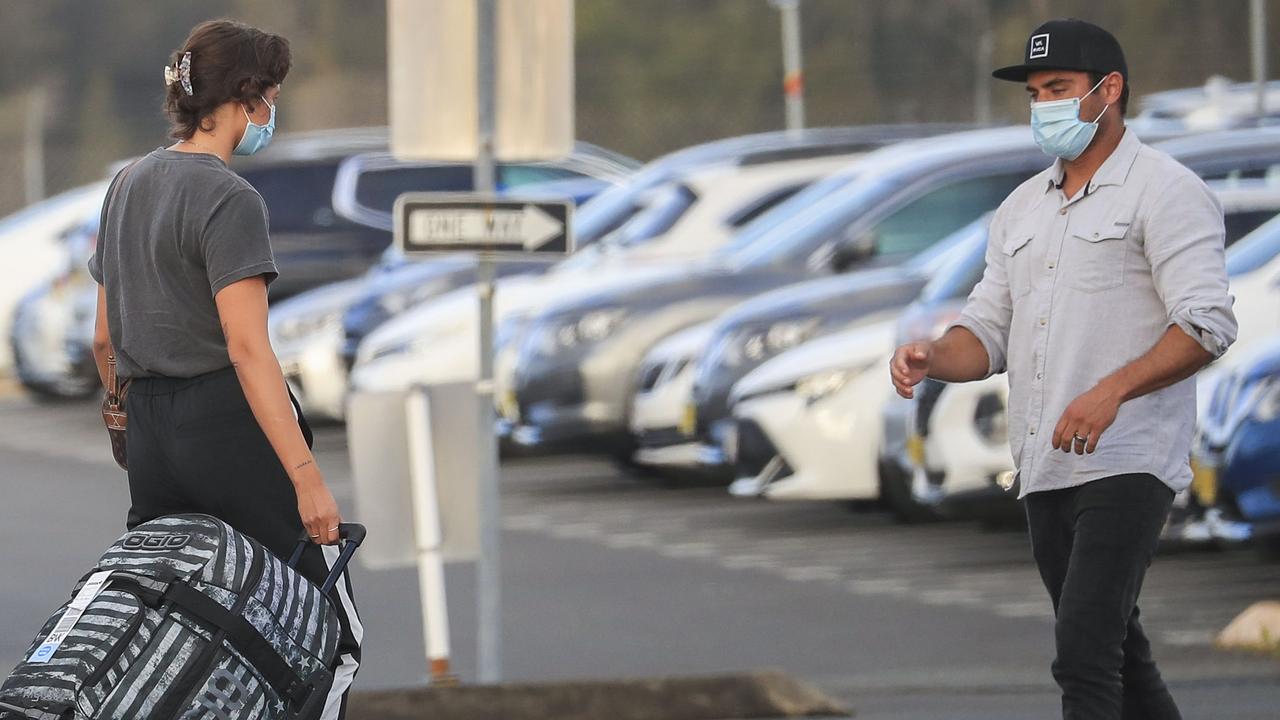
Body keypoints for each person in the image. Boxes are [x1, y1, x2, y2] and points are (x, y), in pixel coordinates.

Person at [890, 18, 1236, 720]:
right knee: (1119, 654)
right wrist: (933, 357)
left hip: (1128, 460)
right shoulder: (1021, 209)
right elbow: (987, 333)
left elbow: (1207, 324)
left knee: (1083, 655)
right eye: (1035, 92)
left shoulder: (1166, 191)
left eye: (1058, 88)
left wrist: (1111, 393)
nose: (1043, 104)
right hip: (1045, 464)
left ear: (1109, 91)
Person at [89, 19, 361, 718]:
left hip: (151, 433)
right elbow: (247, 349)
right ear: (247, 99)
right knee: (319, 622)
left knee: (174, 618)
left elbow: (103, 338)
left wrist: (123, 422)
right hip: (225, 430)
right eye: (270, 94)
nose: (272, 110)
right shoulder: (229, 198)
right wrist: (307, 480)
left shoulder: (127, 185)